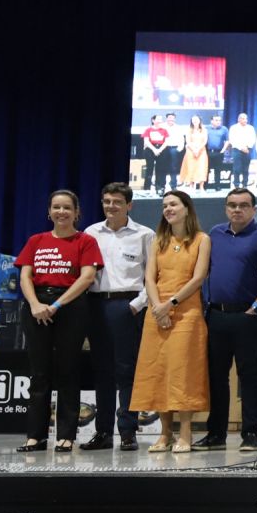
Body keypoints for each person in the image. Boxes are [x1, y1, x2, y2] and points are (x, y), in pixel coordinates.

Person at [14, 190, 102, 452]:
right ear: (49, 211)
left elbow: (87, 277)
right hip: (37, 307)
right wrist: (35, 304)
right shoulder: (36, 240)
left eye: (67, 208)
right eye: (56, 207)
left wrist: (56, 305)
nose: (61, 212)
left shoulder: (85, 241)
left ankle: (66, 436)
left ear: (76, 212)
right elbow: (25, 276)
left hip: (70, 306)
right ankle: (35, 436)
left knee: (67, 371)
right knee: (39, 374)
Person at [131, 190, 212, 453]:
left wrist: (170, 304)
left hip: (186, 314)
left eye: (173, 204)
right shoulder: (158, 241)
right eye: (164, 205)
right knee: (158, 371)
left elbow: (198, 278)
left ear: (187, 208)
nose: (168, 209)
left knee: (183, 372)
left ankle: (185, 433)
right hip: (157, 314)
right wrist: (157, 307)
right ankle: (164, 433)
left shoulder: (201, 239)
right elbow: (149, 278)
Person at [198, 188, 257, 452]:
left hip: (247, 315)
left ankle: (250, 433)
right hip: (216, 315)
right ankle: (215, 433)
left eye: (243, 205)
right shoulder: (215, 234)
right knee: (216, 376)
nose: (237, 210)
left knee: (249, 376)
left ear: (254, 209)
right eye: (232, 205)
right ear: (226, 208)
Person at [83, 181, 152, 451]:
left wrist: (136, 305)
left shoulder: (144, 234)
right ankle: (102, 432)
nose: (111, 206)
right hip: (96, 304)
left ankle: (127, 431)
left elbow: (153, 276)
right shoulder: (91, 233)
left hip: (127, 305)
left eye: (117, 202)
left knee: (126, 371)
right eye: (107, 201)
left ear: (129, 205)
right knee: (102, 371)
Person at [226, 113, 256, 190]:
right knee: (237, 168)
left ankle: (245, 184)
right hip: (237, 150)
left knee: (246, 168)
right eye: (243, 118)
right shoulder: (233, 128)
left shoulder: (250, 128)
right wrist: (241, 148)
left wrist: (247, 147)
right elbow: (232, 139)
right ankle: (236, 185)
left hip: (247, 150)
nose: (245, 120)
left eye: (246, 119)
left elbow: (253, 139)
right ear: (239, 119)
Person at [140, 115, 169, 193]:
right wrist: (154, 150)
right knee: (149, 168)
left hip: (161, 149)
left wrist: (159, 150)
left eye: (161, 119)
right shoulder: (148, 130)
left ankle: (159, 187)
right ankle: (147, 188)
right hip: (150, 149)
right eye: (158, 119)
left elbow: (166, 142)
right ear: (153, 120)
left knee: (160, 169)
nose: (160, 121)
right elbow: (146, 141)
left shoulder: (164, 130)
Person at [179, 114, 209, 190]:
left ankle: (201, 187)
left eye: (196, 119)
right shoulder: (189, 130)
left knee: (202, 168)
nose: (195, 121)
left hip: (201, 150)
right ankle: (191, 186)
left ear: (199, 120)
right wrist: (194, 149)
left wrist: (198, 149)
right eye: (193, 120)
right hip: (190, 150)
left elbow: (205, 141)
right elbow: (188, 141)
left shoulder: (204, 130)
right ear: (191, 121)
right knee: (191, 167)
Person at [205, 114, 228, 189]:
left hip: (219, 152)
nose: (218, 122)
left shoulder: (224, 129)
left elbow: (227, 140)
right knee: (206, 169)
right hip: (208, 152)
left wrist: (223, 150)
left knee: (218, 169)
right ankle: (205, 185)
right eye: (216, 120)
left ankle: (217, 186)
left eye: (219, 120)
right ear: (211, 121)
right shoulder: (206, 128)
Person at [161, 113, 184, 187]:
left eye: (172, 118)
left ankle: (173, 184)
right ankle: (162, 185)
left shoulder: (178, 127)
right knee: (163, 166)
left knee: (173, 167)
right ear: (166, 118)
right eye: (169, 118)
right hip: (164, 148)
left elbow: (182, 139)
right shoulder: (162, 126)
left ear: (175, 119)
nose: (171, 119)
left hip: (174, 148)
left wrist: (179, 149)